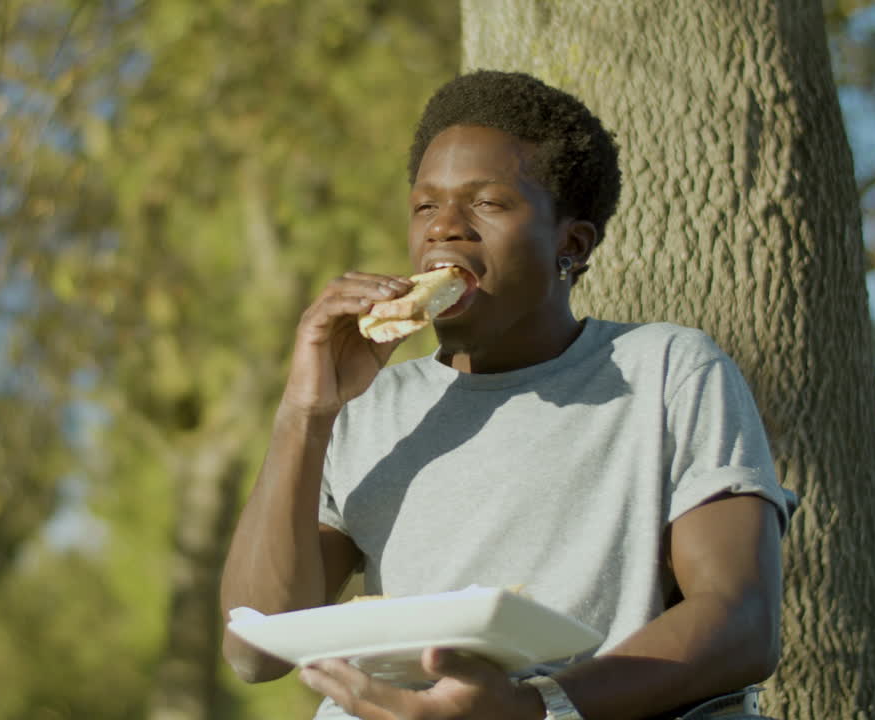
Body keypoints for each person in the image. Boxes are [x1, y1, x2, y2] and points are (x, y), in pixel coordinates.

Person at [219, 70, 789, 720]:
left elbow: (743, 620)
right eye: (425, 206)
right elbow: (254, 652)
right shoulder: (366, 408)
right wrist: (305, 411)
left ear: (569, 246)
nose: (445, 229)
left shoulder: (665, 371)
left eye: (487, 203)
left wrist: (534, 711)